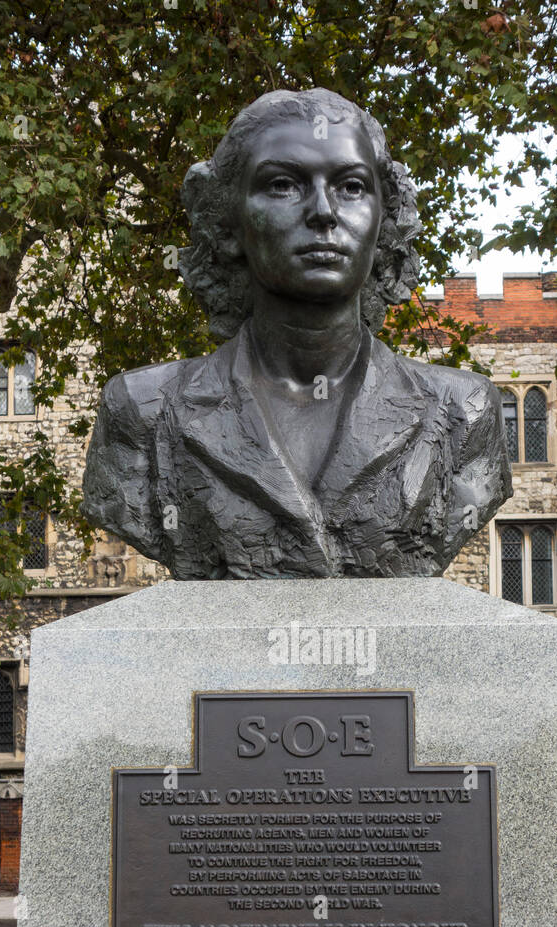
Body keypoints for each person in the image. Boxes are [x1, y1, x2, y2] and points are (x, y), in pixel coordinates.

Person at [83, 88, 512, 579]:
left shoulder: (464, 411)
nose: (324, 213)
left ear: (384, 220)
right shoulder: (140, 411)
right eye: (284, 185)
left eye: (351, 186)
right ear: (226, 222)